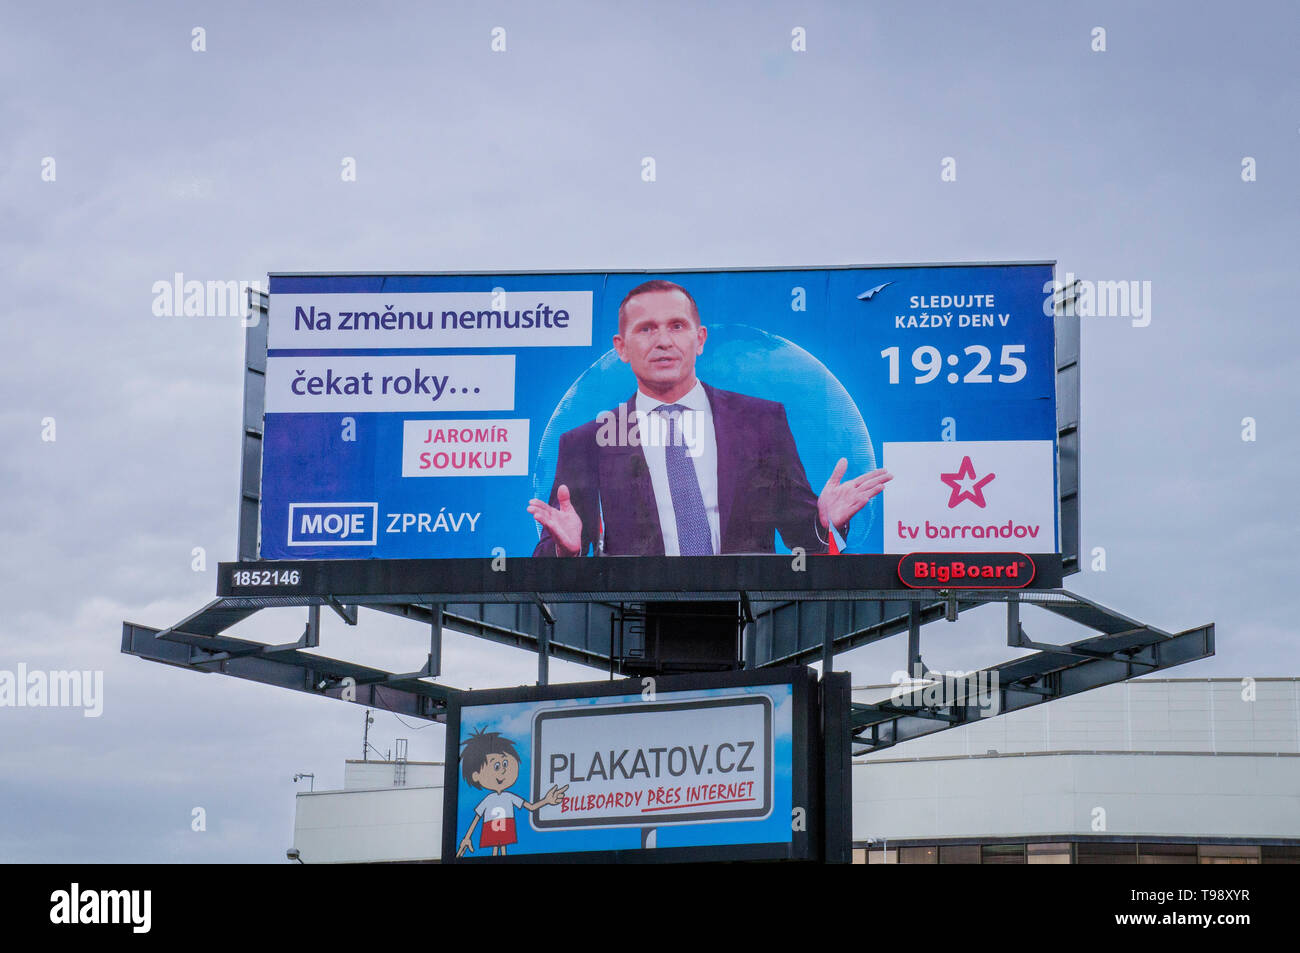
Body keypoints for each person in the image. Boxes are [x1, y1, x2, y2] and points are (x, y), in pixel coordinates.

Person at [527, 280, 892, 556]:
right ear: (621, 348)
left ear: (699, 339)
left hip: (745, 625)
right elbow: (554, 554)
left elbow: (803, 537)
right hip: (638, 623)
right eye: (646, 329)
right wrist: (566, 550)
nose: (663, 341)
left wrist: (826, 522)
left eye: (677, 326)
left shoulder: (762, 421)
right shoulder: (586, 443)